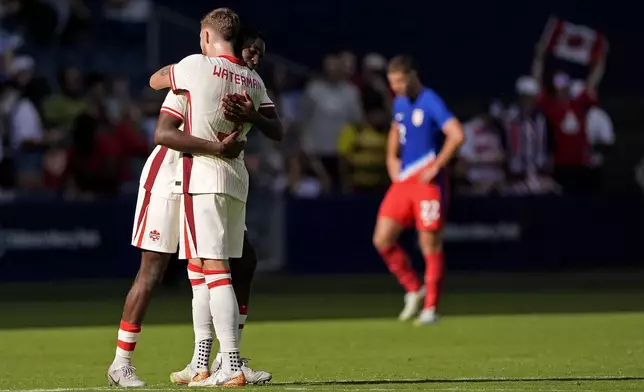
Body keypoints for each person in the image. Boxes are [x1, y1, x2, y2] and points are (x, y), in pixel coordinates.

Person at [108, 25, 282, 387]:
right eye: (250, 50)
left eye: (260, 54)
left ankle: (211, 360)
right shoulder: (194, 74)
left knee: (223, 264)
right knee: (154, 271)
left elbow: (275, 127)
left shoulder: (237, 82)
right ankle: (122, 362)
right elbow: (164, 129)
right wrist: (219, 146)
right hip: (170, 174)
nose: (253, 58)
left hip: (205, 178)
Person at [148, 8, 274, 387]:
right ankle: (201, 362)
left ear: (206, 37)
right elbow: (277, 128)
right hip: (236, 180)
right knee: (201, 271)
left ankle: (231, 363)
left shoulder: (193, 68)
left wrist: (180, 72)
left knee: (213, 272)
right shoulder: (251, 78)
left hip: (201, 176)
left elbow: (155, 82)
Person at [372, 55, 464, 325]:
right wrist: (391, 158)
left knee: (429, 245)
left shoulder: (430, 100)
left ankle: (431, 309)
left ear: (412, 75)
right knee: (382, 239)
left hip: (427, 182)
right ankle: (414, 288)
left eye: (400, 81)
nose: (397, 87)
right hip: (405, 180)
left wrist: (437, 165)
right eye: (392, 82)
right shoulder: (399, 102)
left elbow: (457, 134)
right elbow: (395, 128)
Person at [531, 40, 607, 193]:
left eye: (565, 80)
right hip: (559, 165)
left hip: (581, 164)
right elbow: (536, 83)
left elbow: (593, 81)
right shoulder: (548, 103)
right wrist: (539, 58)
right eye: (558, 80)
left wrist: (601, 58)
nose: (561, 83)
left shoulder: (579, 101)